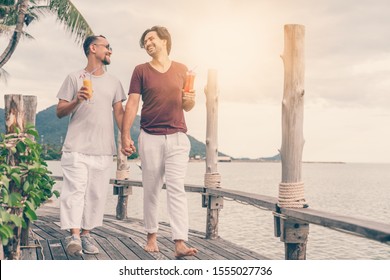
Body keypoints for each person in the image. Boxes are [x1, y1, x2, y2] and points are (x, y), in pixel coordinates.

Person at [121, 26, 197, 258]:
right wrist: (125, 135)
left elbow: (187, 106)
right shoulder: (140, 70)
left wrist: (190, 100)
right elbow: (132, 104)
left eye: (151, 38)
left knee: (176, 188)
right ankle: (151, 236)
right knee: (151, 189)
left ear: (164, 41)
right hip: (150, 137)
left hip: (177, 137)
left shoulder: (182, 69)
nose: (148, 43)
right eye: (145, 41)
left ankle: (179, 242)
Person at [56, 35, 126, 256]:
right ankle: (74, 235)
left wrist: (126, 137)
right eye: (108, 46)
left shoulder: (115, 82)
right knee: (74, 192)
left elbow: (119, 113)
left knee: (96, 195)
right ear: (93, 48)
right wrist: (77, 100)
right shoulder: (74, 77)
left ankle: (86, 234)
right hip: (76, 147)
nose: (110, 51)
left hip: (104, 149)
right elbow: (60, 111)